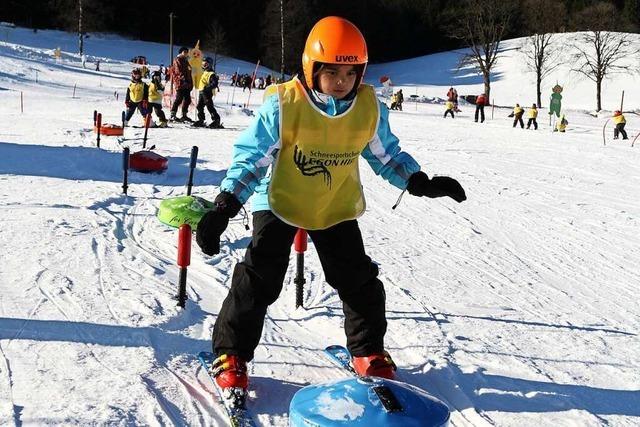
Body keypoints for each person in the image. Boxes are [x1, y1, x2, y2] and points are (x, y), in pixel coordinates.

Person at [195, 16, 466, 404]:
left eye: (350, 72)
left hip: (333, 204)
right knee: (260, 279)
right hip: (281, 201)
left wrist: (417, 182)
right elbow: (253, 159)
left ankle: (367, 351)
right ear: (311, 68)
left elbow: (386, 155)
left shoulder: (367, 107)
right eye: (331, 71)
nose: (341, 81)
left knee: (358, 280)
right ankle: (231, 354)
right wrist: (225, 205)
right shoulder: (285, 104)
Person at [193, 57, 223, 129]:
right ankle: (201, 120)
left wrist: (207, 88)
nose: (204, 65)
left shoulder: (211, 74)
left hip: (207, 92)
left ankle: (216, 120)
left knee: (209, 106)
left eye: (206, 64)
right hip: (201, 92)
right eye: (203, 64)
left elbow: (214, 83)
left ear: (210, 65)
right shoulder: (205, 72)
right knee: (199, 106)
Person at [170, 46, 194, 122]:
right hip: (180, 83)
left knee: (187, 99)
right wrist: (183, 79)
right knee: (179, 99)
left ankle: (184, 115)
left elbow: (189, 71)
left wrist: (190, 81)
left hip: (187, 83)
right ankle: (172, 115)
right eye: (184, 52)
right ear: (181, 52)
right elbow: (178, 71)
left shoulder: (185, 61)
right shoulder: (178, 60)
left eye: (187, 52)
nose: (186, 53)